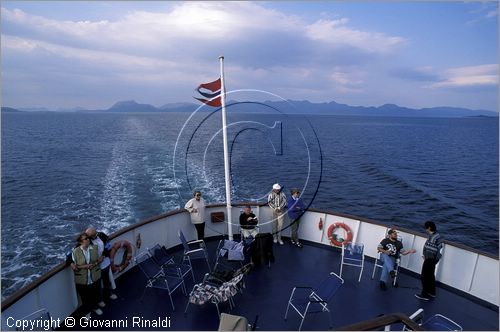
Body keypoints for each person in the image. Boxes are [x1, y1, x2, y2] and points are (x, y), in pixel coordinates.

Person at [71, 232, 103, 316]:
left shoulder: (95, 248)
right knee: (85, 298)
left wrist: (95, 264)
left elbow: (101, 258)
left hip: (94, 275)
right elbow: (73, 264)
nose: (88, 239)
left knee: (95, 294)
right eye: (86, 239)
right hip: (82, 278)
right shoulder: (75, 252)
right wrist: (84, 266)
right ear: (81, 242)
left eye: (88, 238)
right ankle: (87, 312)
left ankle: (95, 307)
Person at [85, 227, 118, 307]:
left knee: (106, 281)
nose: (94, 236)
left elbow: (108, 245)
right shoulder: (86, 241)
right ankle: (99, 300)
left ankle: (109, 294)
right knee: (97, 285)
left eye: (94, 234)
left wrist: (103, 255)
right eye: (91, 236)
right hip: (95, 267)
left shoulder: (101, 235)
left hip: (105, 263)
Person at [415, 221, 443, 300]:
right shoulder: (437, 236)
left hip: (430, 260)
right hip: (432, 260)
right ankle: (432, 293)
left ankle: (425, 294)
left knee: (424, 277)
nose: (425, 229)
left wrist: (427, 257)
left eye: (426, 227)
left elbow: (432, 250)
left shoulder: (433, 238)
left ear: (429, 228)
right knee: (430, 276)